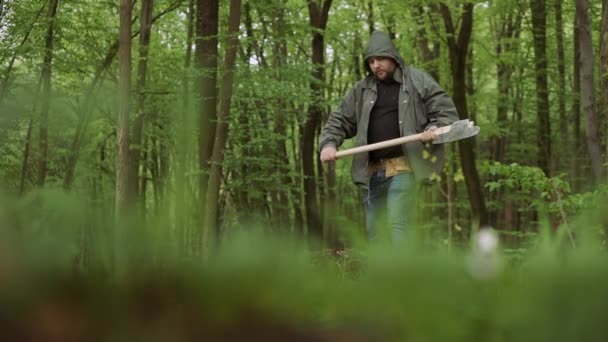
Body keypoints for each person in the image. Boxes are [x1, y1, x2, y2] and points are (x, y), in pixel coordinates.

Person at [319, 31, 458, 242]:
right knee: (375, 232)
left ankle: (399, 274)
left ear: (393, 57)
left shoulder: (417, 80)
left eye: (381, 59)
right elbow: (339, 120)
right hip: (372, 172)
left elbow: (445, 111)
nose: (376, 65)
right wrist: (328, 144)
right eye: (372, 61)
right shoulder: (361, 90)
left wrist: (434, 127)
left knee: (397, 223)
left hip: (403, 167)